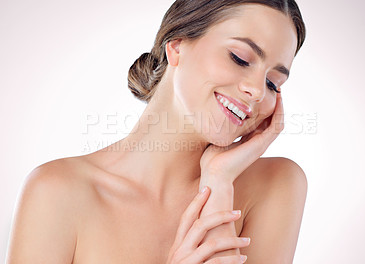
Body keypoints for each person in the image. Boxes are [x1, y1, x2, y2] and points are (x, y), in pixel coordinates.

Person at [6, 0, 307, 263]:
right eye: (240, 58)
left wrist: (218, 181)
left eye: (273, 83)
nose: (256, 90)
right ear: (177, 46)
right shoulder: (57, 193)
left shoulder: (275, 184)